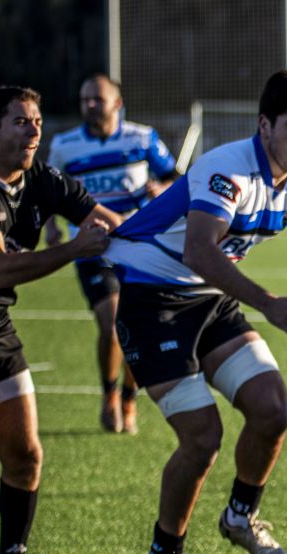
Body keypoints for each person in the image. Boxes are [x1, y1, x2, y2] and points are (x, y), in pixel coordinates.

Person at [104, 69, 287, 554]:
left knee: (272, 409)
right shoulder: (227, 169)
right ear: (264, 124)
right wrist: (268, 304)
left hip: (208, 300)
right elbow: (200, 250)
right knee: (203, 438)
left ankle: (240, 517)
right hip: (153, 302)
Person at [0, 86, 121, 554]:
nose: (34, 129)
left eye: (38, 120)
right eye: (21, 122)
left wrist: (177, 243)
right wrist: (72, 250)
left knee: (25, 456)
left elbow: (105, 220)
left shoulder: (41, 178)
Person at [45, 73, 178, 435]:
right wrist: (52, 225)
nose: (89, 105)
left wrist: (160, 188)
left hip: (138, 248)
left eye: (97, 99)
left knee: (136, 327)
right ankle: (108, 394)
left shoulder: (142, 138)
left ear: (117, 104)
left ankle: (129, 397)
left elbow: (178, 179)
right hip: (92, 248)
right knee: (113, 323)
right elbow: (51, 193)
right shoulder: (65, 146)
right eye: (84, 99)